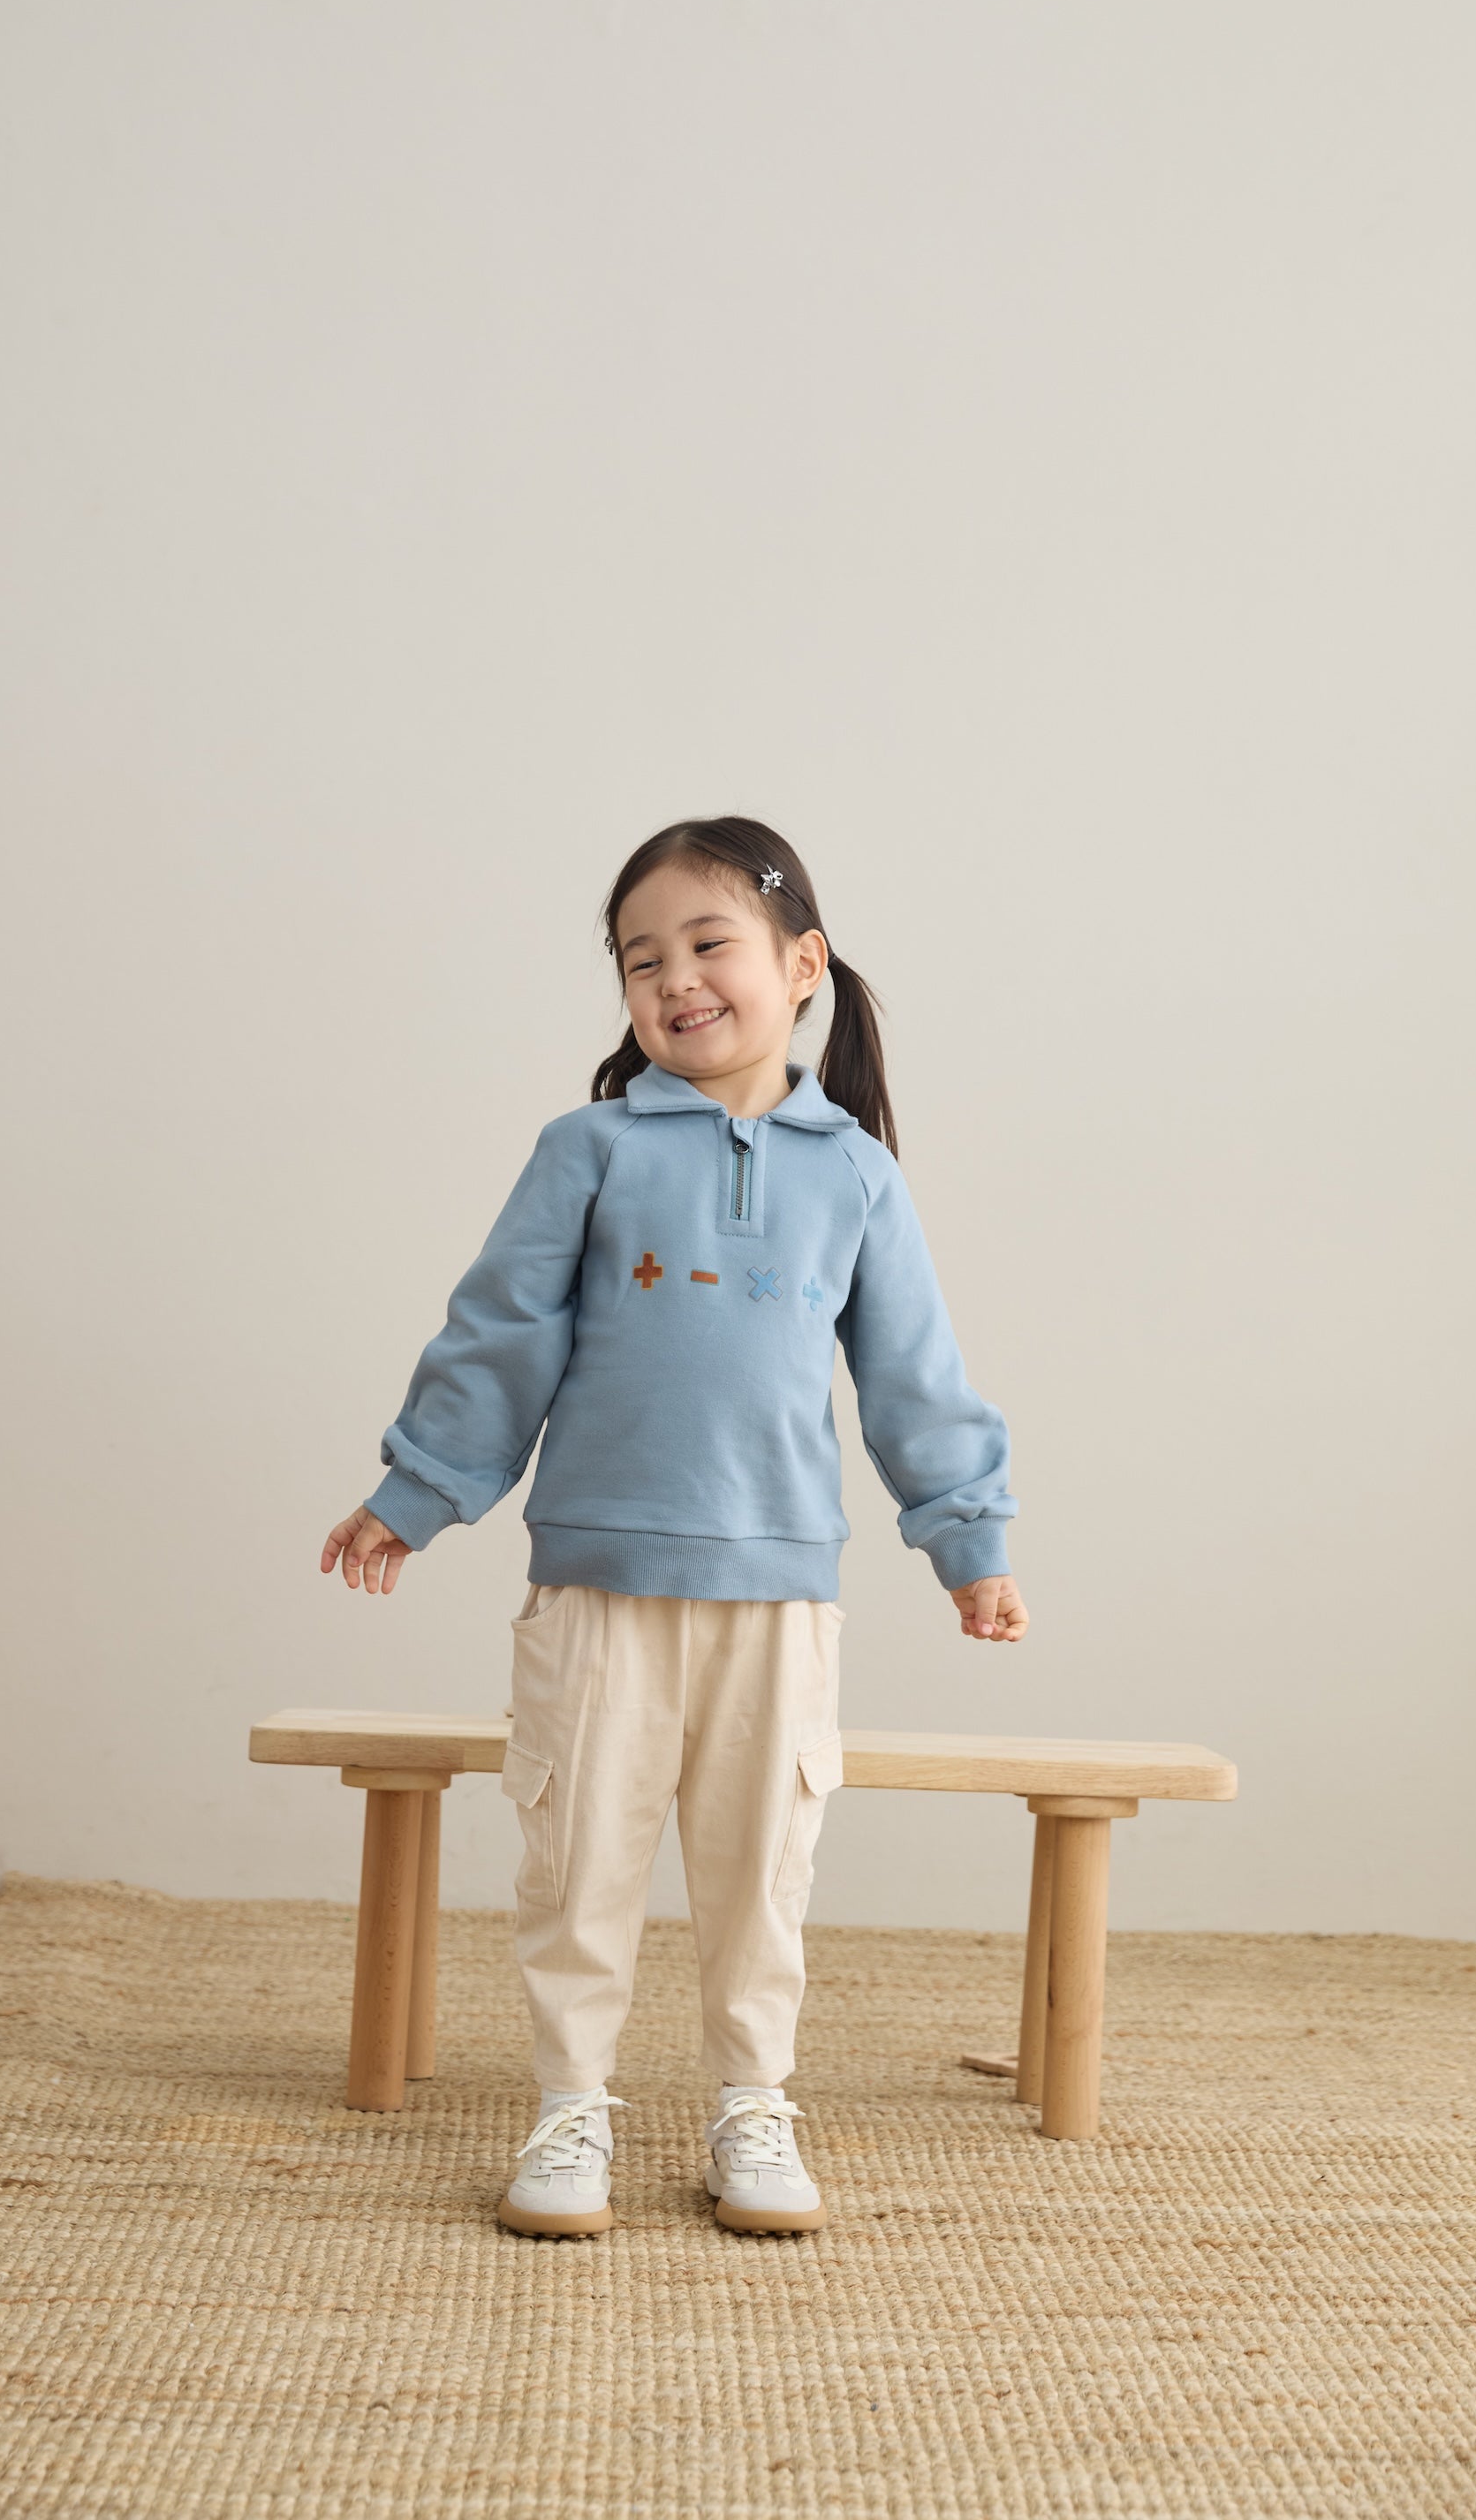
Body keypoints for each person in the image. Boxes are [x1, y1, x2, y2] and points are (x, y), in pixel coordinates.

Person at [319, 815, 1026, 2238]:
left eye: (710, 945)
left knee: (761, 1873)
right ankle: (570, 2104)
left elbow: (915, 1378)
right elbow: (498, 1337)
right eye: (644, 961)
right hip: (597, 1582)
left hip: (779, 1595)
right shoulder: (587, 1149)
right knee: (578, 1859)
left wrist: (971, 1540)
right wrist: (416, 1493)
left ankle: (752, 2106)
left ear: (801, 964)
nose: (676, 980)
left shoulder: (857, 1178)